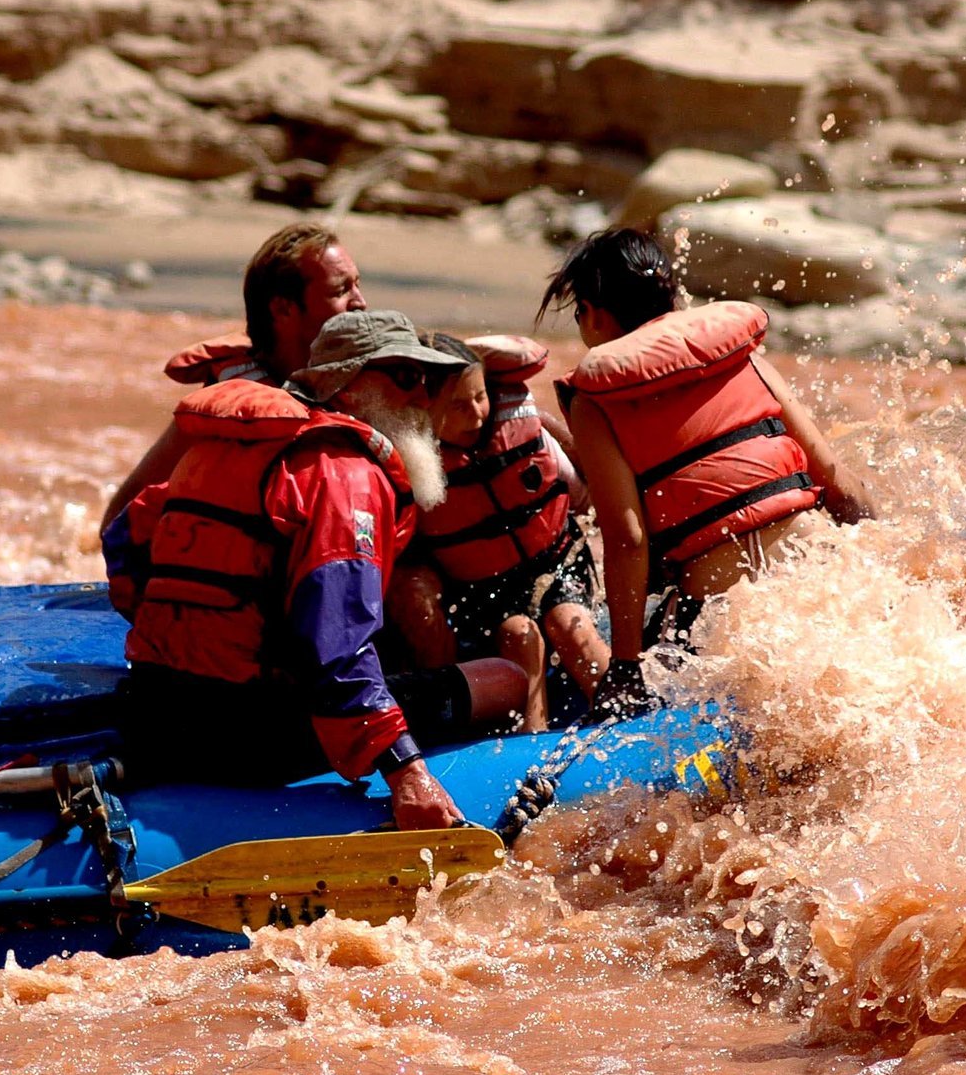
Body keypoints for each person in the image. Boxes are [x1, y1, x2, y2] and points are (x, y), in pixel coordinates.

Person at [103, 310, 527, 830]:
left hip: (150, 709)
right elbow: (339, 651)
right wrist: (407, 774)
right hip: (245, 733)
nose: (423, 396)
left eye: (429, 379)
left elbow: (123, 539)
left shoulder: (223, 447)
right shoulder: (346, 476)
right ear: (343, 388)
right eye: (406, 376)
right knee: (505, 678)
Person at [541, 229, 872, 711]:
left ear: (594, 313)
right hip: (819, 568)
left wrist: (626, 666)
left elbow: (628, 538)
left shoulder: (595, 401)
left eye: (577, 313)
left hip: (727, 615)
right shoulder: (741, 357)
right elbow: (836, 480)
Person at [387, 332, 609, 731]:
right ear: (423, 410)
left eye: (479, 397)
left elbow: (579, 497)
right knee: (519, 635)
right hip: (484, 594)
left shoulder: (522, 429)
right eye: (457, 405)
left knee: (570, 624)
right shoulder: (416, 468)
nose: (475, 414)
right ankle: (531, 745)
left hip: (558, 565)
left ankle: (625, 714)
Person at [100, 222, 367, 528]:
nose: (360, 303)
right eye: (341, 290)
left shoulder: (376, 387)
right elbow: (117, 520)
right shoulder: (227, 405)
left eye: (357, 285)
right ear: (283, 310)